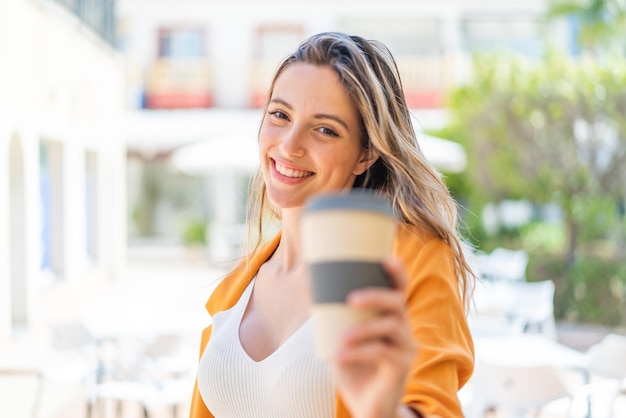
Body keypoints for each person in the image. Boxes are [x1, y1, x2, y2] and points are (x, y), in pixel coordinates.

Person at [189, 31, 475, 418]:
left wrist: (381, 409)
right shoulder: (236, 286)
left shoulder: (411, 260)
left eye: (324, 129)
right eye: (280, 115)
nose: (290, 145)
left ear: (365, 154)